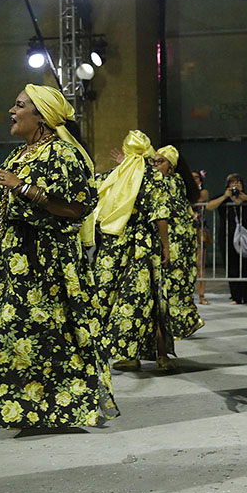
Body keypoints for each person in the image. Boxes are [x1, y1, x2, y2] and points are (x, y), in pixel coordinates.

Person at [0, 84, 118, 428]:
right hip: (13, 264)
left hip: (47, 263)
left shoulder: (62, 154)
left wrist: (21, 187)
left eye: (19, 105)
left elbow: (79, 205)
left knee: (51, 335)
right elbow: (11, 199)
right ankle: (24, 408)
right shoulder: (17, 155)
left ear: (42, 116)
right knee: (10, 334)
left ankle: (60, 407)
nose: (11, 110)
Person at [95, 130, 174, 372]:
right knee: (150, 300)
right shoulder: (153, 178)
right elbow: (160, 214)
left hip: (113, 247)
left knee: (114, 299)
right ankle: (160, 357)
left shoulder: (112, 176)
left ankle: (129, 355)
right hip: (143, 247)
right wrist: (165, 246)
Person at [152, 146, 205, 341]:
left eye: (160, 162)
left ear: (172, 167)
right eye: (154, 161)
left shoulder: (171, 183)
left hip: (177, 242)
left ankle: (181, 323)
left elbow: (163, 215)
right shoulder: (173, 182)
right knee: (174, 284)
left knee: (175, 284)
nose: (155, 165)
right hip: (178, 240)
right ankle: (180, 323)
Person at [206, 173, 247, 304]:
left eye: (238, 183)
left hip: (246, 237)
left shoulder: (246, 197)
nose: (236, 185)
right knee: (232, 266)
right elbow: (209, 206)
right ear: (228, 186)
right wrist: (225, 196)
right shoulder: (224, 199)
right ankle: (236, 296)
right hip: (228, 236)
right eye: (233, 183)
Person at [192, 170, 211, 306]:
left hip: (199, 229)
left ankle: (201, 295)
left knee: (200, 264)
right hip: (185, 230)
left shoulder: (204, 192)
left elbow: (199, 199)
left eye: (196, 178)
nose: (194, 179)